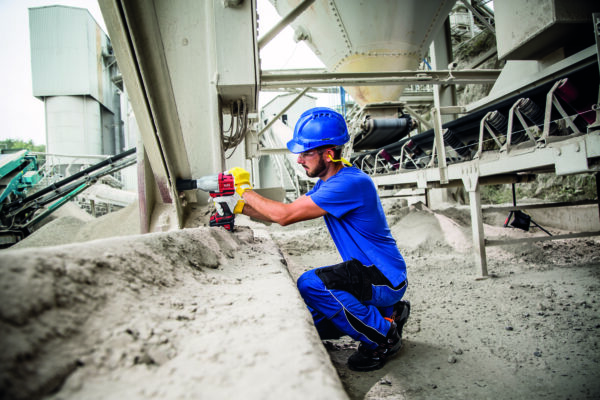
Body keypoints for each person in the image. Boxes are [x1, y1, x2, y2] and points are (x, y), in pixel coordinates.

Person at [221, 107, 410, 372]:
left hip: (383, 277)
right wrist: (238, 205)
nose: (299, 160)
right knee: (314, 323)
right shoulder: (329, 183)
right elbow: (282, 212)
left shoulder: (349, 184)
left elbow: (284, 216)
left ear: (329, 154)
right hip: (371, 273)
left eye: (306, 152)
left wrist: (243, 189)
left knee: (311, 284)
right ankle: (388, 313)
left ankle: (382, 337)